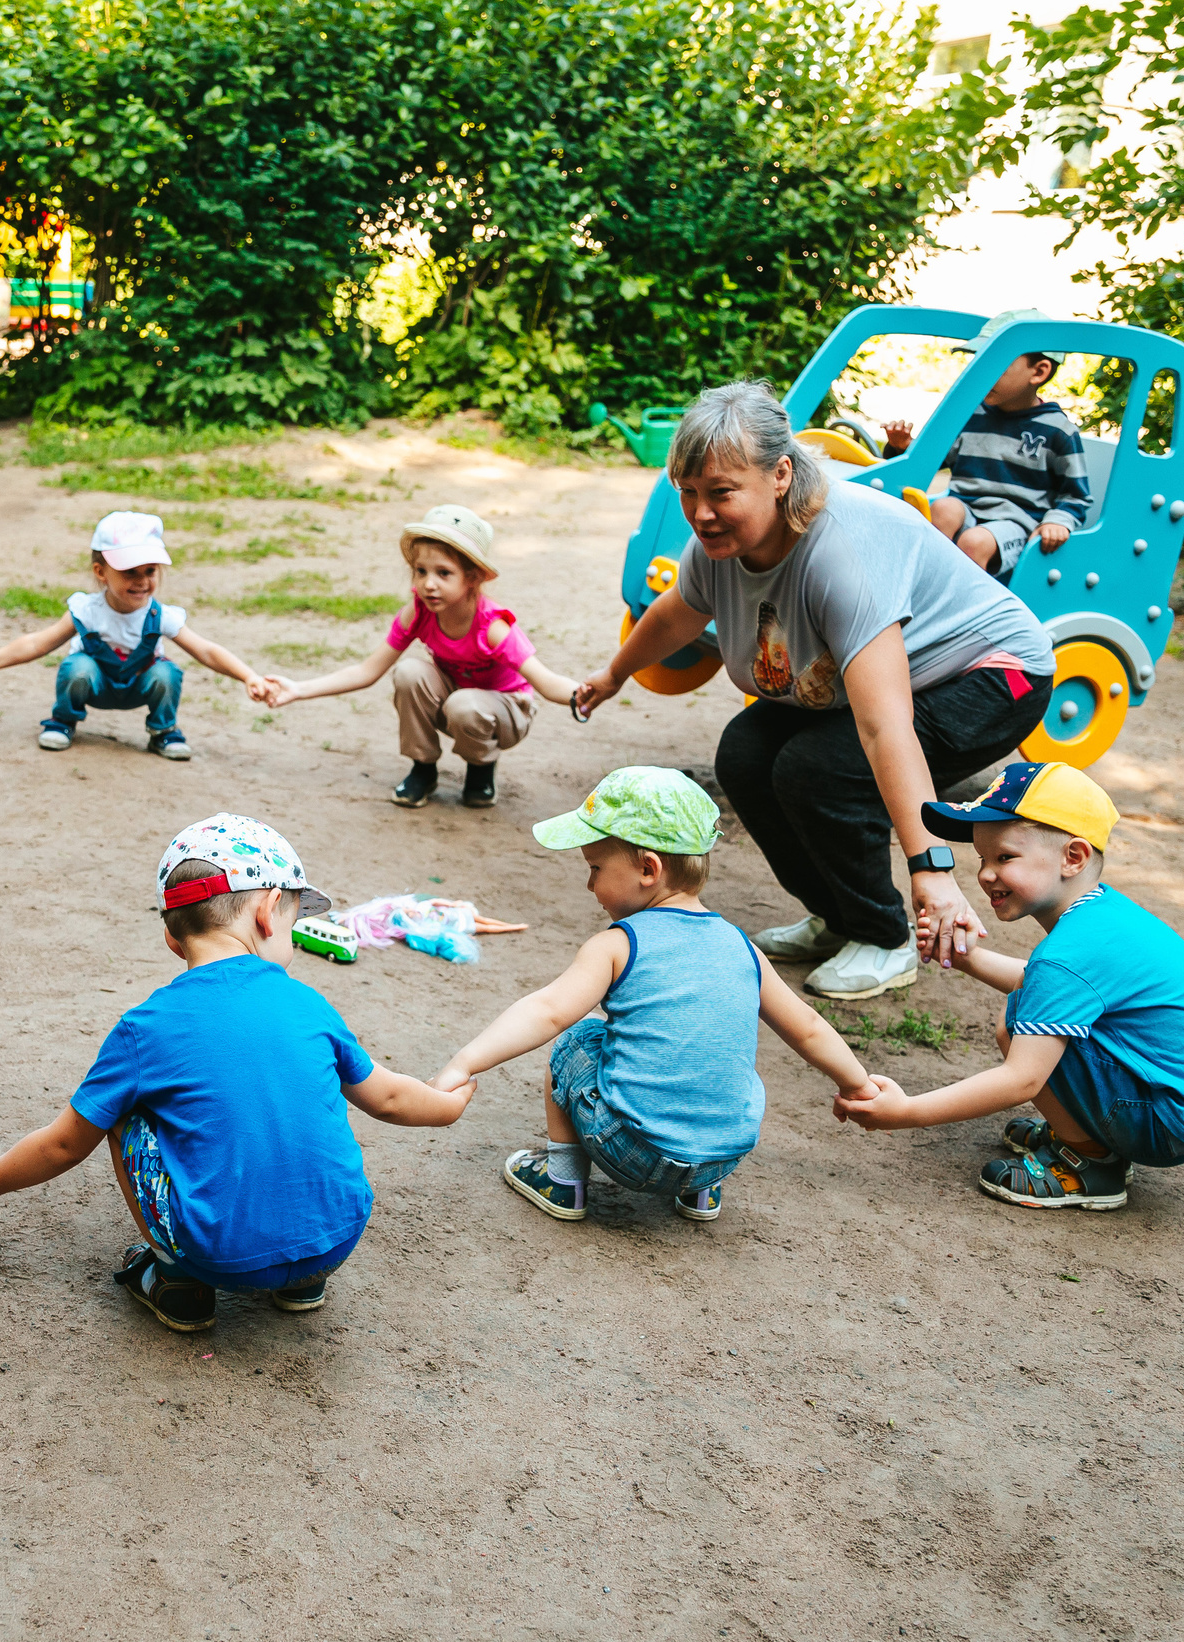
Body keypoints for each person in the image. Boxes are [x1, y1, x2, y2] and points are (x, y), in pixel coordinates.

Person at [574, 380, 1056, 1001]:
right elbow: (680, 611)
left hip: (993, 672)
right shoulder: (718, 545)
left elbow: (885, 728)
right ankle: (839, 920)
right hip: (897, 676)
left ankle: (887, 938)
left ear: (780, 474)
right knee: (744, 755)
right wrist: (614, 675)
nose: (701, 513)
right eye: (687, 493)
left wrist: (931, 869)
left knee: (821, 770)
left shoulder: (841, 551)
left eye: (721, 492)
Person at [0, 813, 470, 1331]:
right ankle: (303, 1281)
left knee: (121, 1111)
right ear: (269, 910)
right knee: (294, 1095)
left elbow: (64, 1146)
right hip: (337, 1238)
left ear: (173, 937)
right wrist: (447, 1104)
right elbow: (391, 1099)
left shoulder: (145, 1029)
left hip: (220, 1256)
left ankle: (177, 1281)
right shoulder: (308, 1003)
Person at [431, 767, 878, 1223]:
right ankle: (701, 1193)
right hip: (724, 1154)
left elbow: (546, 1012)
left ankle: (563, 1181)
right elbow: (807, 1027)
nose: (590, 885)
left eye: (596, 868)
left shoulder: (617, 944)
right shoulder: (744, 948)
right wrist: (858, 1085)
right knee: (716, 1049)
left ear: (648, 869)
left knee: (576, 1040)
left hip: (633, 1153)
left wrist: (464, 1063)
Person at [834, 762, 1184, 1212]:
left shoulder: (1068, 954)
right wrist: (965, 958)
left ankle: (1091, 1163)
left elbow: (1021, 1079)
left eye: (1005, 858)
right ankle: (1087, 1131)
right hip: (1182, 1103)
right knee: (1035, 1007)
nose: (986, 875)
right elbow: (1050, 987)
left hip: (1163, 1122)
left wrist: (907, 1112)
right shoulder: (1103, 916)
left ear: (1073, 857)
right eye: (982, 860)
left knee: (1019, 1020)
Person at [258, 504, 579, 809]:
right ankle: (423, 769)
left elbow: (545, 680)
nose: (428, 584)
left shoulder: (492, 626)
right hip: (457, 702)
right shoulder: (419, 612)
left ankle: (481, 769)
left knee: (464, 704)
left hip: (507, 713)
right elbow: (368, 670)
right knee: (408, 671)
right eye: (420, 571)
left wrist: (586, 694)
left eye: (443, 573)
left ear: (473, 577)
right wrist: (298, 689)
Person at [0, 510, 268, 762]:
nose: (141, 580)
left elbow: (205, 650)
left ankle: (163, 731)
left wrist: (248, 676)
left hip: (137, 687)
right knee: (77, 667)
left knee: (166, 672)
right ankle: (63, 721)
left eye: (150, 570)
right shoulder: (87, 611)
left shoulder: (160, 616)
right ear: (101, 571)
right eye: (129, 571)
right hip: (97, 685)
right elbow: (37, 643)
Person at [881, 311, 1092, 582]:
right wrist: (902, 446)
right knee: (944, 508)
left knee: (974, 541)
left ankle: (959, 616)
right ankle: (918, 588)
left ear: (1038, 372)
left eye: (996, 365)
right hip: (967, 508)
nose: (981, 375)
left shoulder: (1057, 430)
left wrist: (1057, 521)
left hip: (1017, 524)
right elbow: (940, 460)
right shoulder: (972, 414)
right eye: (977, 363)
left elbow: (1076, 495)